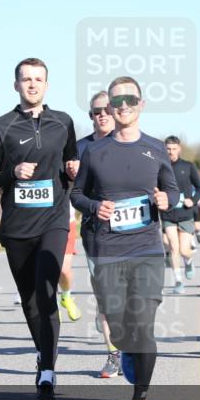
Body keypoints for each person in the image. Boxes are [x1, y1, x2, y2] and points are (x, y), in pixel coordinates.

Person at [71, 76, 178, 400]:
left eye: (130, 99)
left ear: (141, 104)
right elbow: (77, 194)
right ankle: (126, 349)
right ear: (110, 107)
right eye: (116, 101)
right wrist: (94, 206)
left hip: (147, 249)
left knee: (143, 326)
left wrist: (165, 199)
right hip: (108, 251)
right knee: (118, 329)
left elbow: (173, 192)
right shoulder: (95, 152)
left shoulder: (156, 148)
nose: (123, 106)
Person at [0, 58, 78, 400]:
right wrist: (11, 173)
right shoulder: (1, 127)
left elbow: (72, 165)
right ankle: (43, 354)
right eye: (26, 79)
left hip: (54, 219)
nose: (32, 84)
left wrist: (74, 171)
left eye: (38, 79)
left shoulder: (63, 122)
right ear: (16, 85)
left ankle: (47, 374)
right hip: (18, 226)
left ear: (47, 85)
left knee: (47, 293)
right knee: (30, 300)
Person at [76, 91, 122, 378]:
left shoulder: (131, 143)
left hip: (132, 232)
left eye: (106, 109)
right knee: (107, 297)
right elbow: (71, 192)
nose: (102, 115)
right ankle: (113, 355)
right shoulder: (80, 148)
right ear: (91, 116)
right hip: (96, 231)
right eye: (96, 111)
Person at [162, 136, 200, 294]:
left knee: (184, 250)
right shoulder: (160, 167)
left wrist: (192, 200)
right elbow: (154, 187)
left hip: (185, 213)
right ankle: (178, 281)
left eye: (174, 149)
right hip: (168, 214)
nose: (171, 152)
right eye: (168, 149)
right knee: (174, 248)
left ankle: (189, 260)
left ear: (179, 149)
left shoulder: (188, 166)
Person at [58, 206, 82, 322]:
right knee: (47, 268)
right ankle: (52, 305)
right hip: (40, 223)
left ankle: (66, 296)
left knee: (64, 270)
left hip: (65, 222)